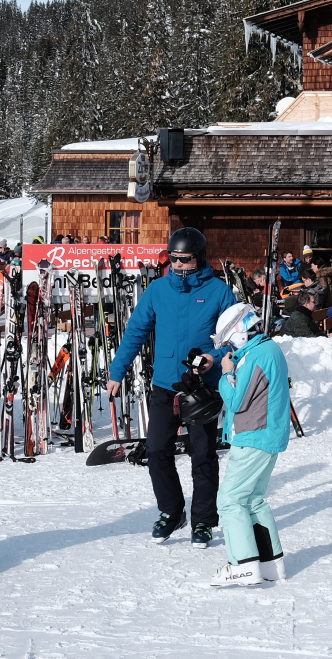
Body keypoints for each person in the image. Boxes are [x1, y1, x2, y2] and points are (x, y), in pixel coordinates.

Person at [106, 227, 237, 548]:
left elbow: (236, 339)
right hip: (165, 385)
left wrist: (213, 357)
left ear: (200, 257)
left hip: (202, 387)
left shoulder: (220, 292)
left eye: (185, 260)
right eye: (174, 259)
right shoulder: (158, 290)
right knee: (156, 451)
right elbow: (136, 331)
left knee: (203, 454)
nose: (178, 265)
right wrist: (116, 371)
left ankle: (203, 520)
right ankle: (171, 511)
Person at [207, 303, 291, 587]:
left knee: (230, 501)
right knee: (252, 500)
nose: (230, 345)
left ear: (241, 332)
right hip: (266, 436)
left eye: (230, 339)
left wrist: (225, 373)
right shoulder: (268, 350)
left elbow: (235, 401)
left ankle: (242, 565)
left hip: (253, 436)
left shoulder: (256, 356)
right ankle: (271, 564)